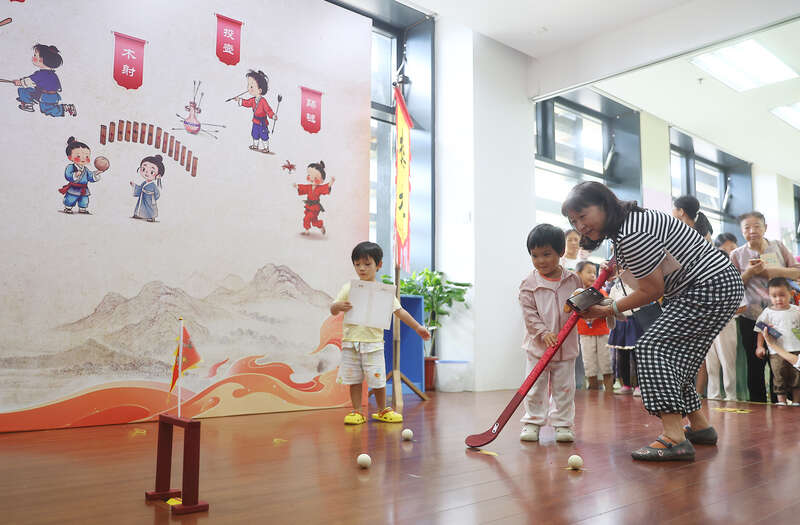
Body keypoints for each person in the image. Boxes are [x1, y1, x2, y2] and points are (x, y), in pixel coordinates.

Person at [563, 181, 743, 461]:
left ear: (604, 205)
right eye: (574, 221)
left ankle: (674, 438)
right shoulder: (630, 223)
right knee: (677, 359)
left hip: (707, 287)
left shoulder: (632, 233)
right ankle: (700, 426)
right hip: (713, 285)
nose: (580, 226)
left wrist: (608, 309)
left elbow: (651, 290)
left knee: (652, 347)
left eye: (583, 216)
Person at [330, 242, 430, 425]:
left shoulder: (383, 291)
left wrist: (418, 327)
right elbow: (333, 309)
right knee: (354, 379)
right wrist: (337, 306)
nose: (362, 268)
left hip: (373, 343)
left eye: (367, 264)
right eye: (357, 264)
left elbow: (399, 311)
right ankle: (357, 411)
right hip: (351, 342)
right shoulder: (348, 288)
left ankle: (382, 410)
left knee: (378, 378)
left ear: (379, 264)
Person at [518, 224, 583, 443]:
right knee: (535, 387)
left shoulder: (573, 280)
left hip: (566, 348)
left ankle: (563, 424)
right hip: (538, 348)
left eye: (546, 254)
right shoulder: (529, 283)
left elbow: (581, 305)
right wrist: (543, 333)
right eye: (534, 255)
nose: (540, 261)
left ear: (560, 252)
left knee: (564, 389)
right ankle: (533, 422)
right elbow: (529, 314)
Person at [730, 211, 800, 402]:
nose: (752, 231)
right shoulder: (737, 254)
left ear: (765, 228)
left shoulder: (777, 246)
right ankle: (758, 403)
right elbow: (731, 285)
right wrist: (749, 273)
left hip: (782, 316)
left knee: (783, 360)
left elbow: (796, 272)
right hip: (752, 317)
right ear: (742, 231)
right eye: (747, 227)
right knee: (755, 361)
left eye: (757, 226)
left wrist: (770, 271)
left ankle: (782, 402)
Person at [673, 195, 713, 396]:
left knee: (690, 348)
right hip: (699, 293)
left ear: (681, 211)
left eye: (674, 209)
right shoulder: (704, 233)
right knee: (698, 349)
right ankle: (695, 393)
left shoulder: (685, 234)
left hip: (690, 293)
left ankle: (690, 393)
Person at [754, 278, 800, 406]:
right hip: (776, 352)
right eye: (774, 296)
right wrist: (759, 346)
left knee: (797, 376)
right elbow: (760, 330)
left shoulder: (796, 310)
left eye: (782, 295)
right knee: (779, 376)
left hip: (796, 349)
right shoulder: (767, 312)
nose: (778, 299)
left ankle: (796, 401)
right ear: (768, 296)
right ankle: (781, 401)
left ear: (791, 294)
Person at [574, 261, 613, 392]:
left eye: (594, 273)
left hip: (602, 333)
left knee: (606, 363)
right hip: (585, 334)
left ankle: (609, 391)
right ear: (578, 274)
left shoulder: (600, 292)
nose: (592, 275)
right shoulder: (576, 294)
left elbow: (608, 307)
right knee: (589, 364)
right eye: (589, 272)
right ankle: (593, 390)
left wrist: (596, 314)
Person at [14, 43, 76, 117]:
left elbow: (31, 81)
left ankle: (66, 108)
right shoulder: (49, 73)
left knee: (47, 109)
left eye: (35, 55)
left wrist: (20, 82)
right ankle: (28, 105)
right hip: (41, 93)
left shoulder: (42, 74)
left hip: (47, 96)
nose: (33, 57)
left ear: (41, 60)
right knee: (23, 90)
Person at [607, 274, 643, 396]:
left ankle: (639, 386)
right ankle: (626, 385)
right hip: (620, 323)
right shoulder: (615, 287)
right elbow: (611, 304)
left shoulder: (638, 284)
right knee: (621, 356)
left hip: (635, 321)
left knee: (637, 356)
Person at [562, 228, 588, 389]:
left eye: (576, 239)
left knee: (580, 346)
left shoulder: (584, 263)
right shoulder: (560, 262)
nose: (573, 243)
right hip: (564, 307)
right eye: (569, 239)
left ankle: (580, 381)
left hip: (581, 307)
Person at [59, 137, 104, 214]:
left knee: (84, 199)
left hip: (84, 188)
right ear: (70, 157)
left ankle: (82, 208)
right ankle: (68, 208)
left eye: (86, 156)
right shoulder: (70, 167)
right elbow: (67, 175)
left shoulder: (85, 169)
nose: (83, 159)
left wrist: (96, 173)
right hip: (74, 188)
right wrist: (75, 175)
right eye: (78, 156)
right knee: (71, 198)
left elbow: (90, 176)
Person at [235, 69, 276, 153]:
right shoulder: (253, 100)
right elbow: (247, 103)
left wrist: (272, 115)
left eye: (251, 86)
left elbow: (268, 109)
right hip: (255, 121)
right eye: (249, 85)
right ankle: (255, 145)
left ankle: (266, 147)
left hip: (262, 123)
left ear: (260, 90)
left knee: (264, 135)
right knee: (255, 133)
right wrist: (239, 100)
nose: (248, 88)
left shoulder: (263, 101)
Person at [294, 161, 334, 235]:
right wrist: (297, 186)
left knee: (307, 218)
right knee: (314, 222)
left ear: (321, 179)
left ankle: (307, 231)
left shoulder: (319, 188)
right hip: (308, 206)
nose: (312, 179)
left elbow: (325, 187)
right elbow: (303, 188)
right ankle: (321, 226)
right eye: (310, 176)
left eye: (315, 178)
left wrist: (331, 182)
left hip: (315, 207)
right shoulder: (309, 187)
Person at [131, 154, 165, 222]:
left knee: (150, 208)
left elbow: (157, 194)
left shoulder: (153, 186)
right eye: (143, 169)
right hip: (142, 198)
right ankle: (139, 215)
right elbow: (140, 189)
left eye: (151, 172)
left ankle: (151, 217)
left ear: (158, 176)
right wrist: (134, 186)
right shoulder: (144, 183)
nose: (146, 173)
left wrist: (152, 199)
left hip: (150, 200)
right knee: (141, 206)